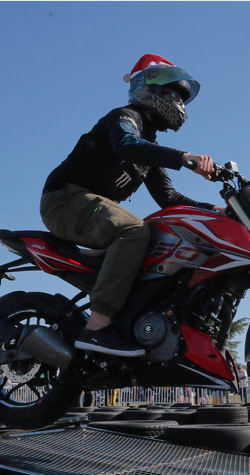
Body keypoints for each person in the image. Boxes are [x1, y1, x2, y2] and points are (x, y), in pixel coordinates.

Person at [40, 53, 220, 357]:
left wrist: (213, 211)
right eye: (172, 93)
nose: (178, 103)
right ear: (148, 89)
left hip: (92, 208)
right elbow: (126, 144)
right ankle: (96, 329)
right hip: (64, 200)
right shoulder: (125, 117)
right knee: (135, 231)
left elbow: (169, 199)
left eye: (181, 97)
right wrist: (183, 158)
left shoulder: (147, 147)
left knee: (161, 234)